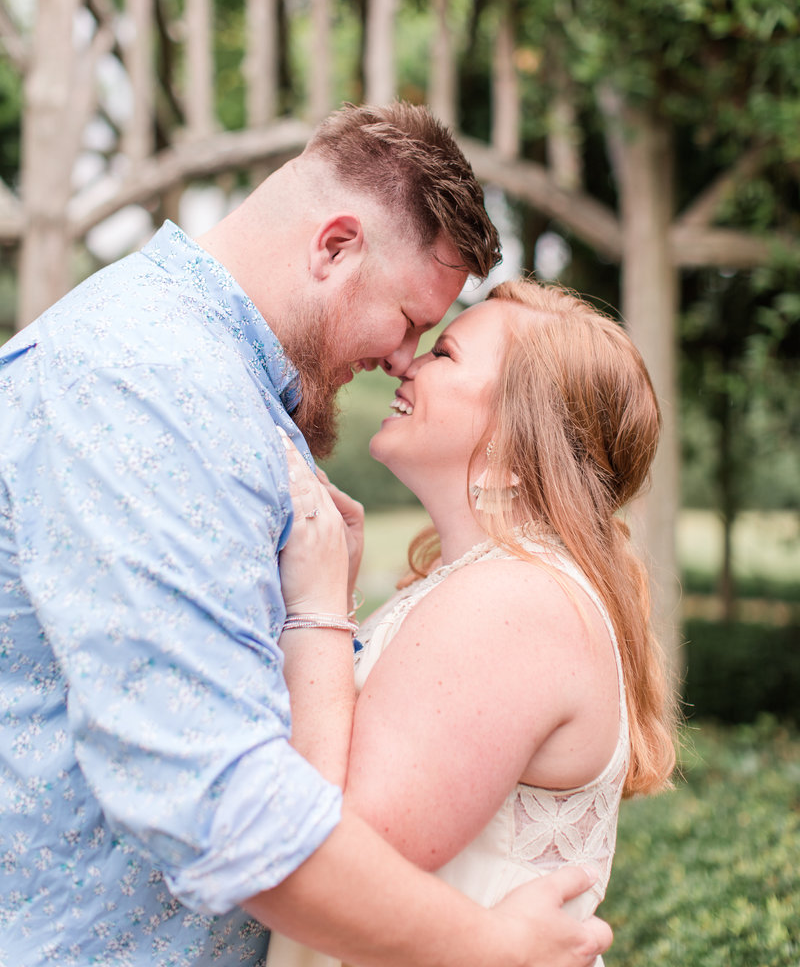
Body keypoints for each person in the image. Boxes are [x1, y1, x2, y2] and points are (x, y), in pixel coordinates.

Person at [0, 102, 612, 967]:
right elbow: (217, 803)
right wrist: (489, 949)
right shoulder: (144, 383)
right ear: (335, 247)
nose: (403, 359)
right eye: (410, 320)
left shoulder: (223, 389)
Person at [266, 277, 677, 967]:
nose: (407, 362)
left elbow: (331, 849)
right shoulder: (484, 584)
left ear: (515, 442)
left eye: (446, 353)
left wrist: (319, 609)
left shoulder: (515, 600)